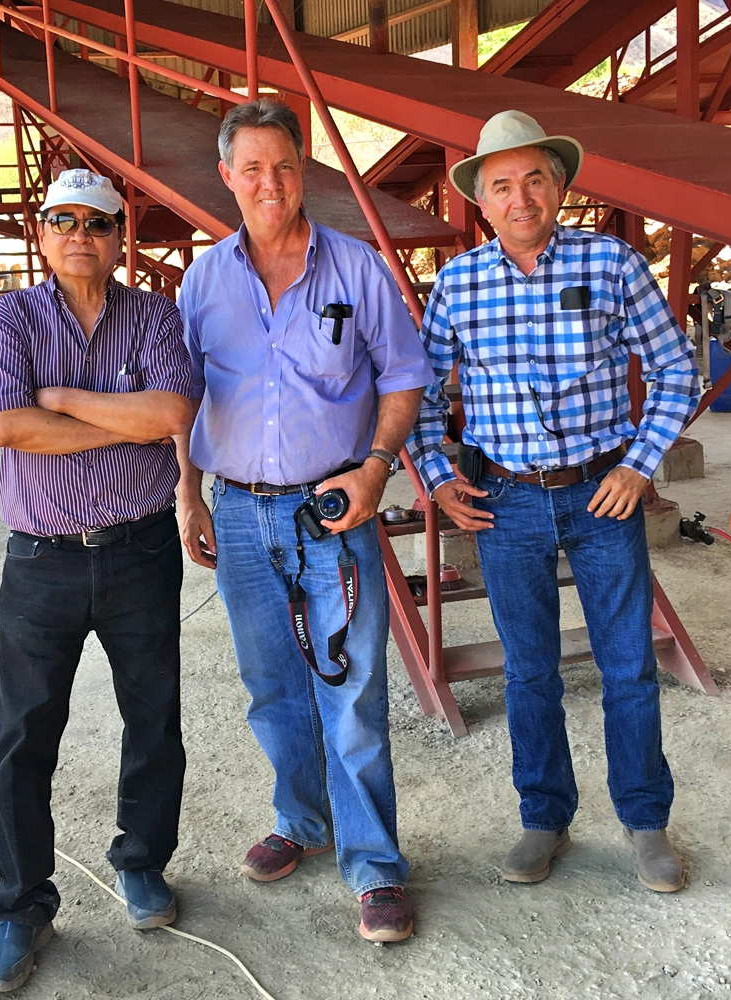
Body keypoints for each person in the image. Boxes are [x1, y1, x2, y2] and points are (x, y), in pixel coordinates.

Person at [406, 110, 700, 893]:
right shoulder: (459, 284)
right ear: (481, 201)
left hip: (603, 495)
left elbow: (676, 370)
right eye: (502, 185)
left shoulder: (611, 264)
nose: (521, 197)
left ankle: (645, 821)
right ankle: (544, 818)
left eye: (535, 179)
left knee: (628, 665)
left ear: (560, 185)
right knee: (528, 671)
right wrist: (437, 477)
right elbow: (420, 396)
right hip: (505, 501)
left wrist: (639, 465)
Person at [174, 100, 431, 943]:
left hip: (334, 508)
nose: (270, 183)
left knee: (350, 688)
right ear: (227, 176)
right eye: (252, 168)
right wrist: (188, 493)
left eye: (284, 166)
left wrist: (377, 468)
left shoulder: (356, 269)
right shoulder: (203, 280)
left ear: (303, 170)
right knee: (271, 683)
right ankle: (303, 820)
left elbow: (403, 377)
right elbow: (183, 399)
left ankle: (375, 865)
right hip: (240, 512)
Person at [0, 168, 197, 992]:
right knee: (24, 733)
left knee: (154, 717)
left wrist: (63, 399)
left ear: (118, 237)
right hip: (42, 559)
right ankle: (22, 904)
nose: (79, 234)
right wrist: (123, 420)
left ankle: (142, 861)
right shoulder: (12, 317)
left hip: (141, 550)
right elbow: (8, 425)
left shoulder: (155, 315)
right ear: (41, 233)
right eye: (62, 220)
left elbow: (172, 416)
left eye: (96, 222)